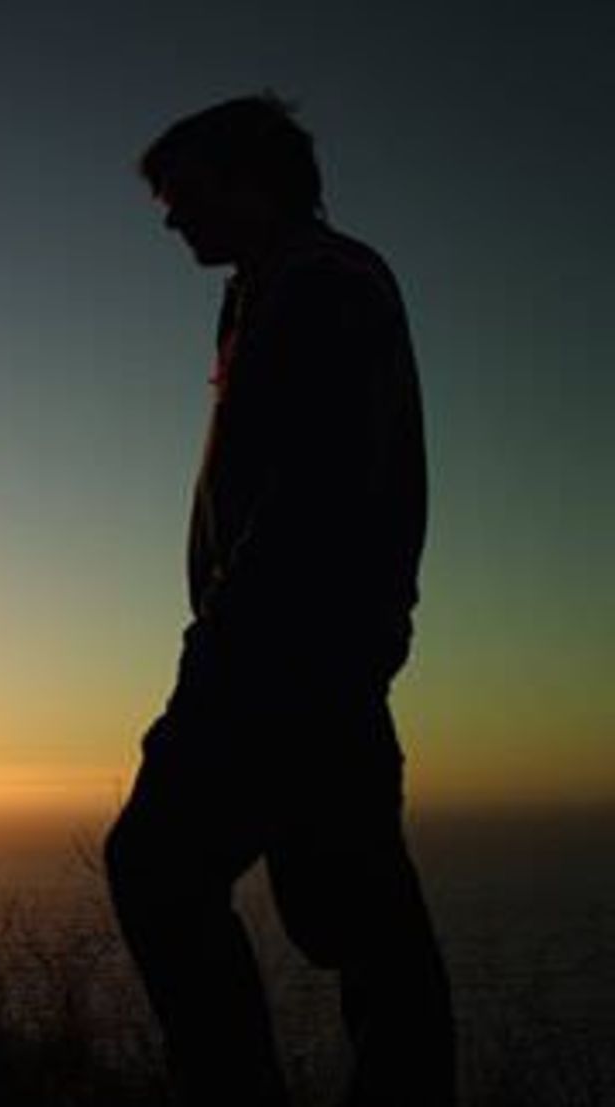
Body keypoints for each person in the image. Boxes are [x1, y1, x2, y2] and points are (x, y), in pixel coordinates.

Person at [104, 95, 455, 1107]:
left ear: (251, 179)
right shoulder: (271, 290)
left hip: (280, 652)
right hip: (309, 648)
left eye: (185, 191)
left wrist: (223, 644)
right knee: (357, 903)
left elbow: (317, 491)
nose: (173, 216)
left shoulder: (325, 286)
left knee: (161, 867)